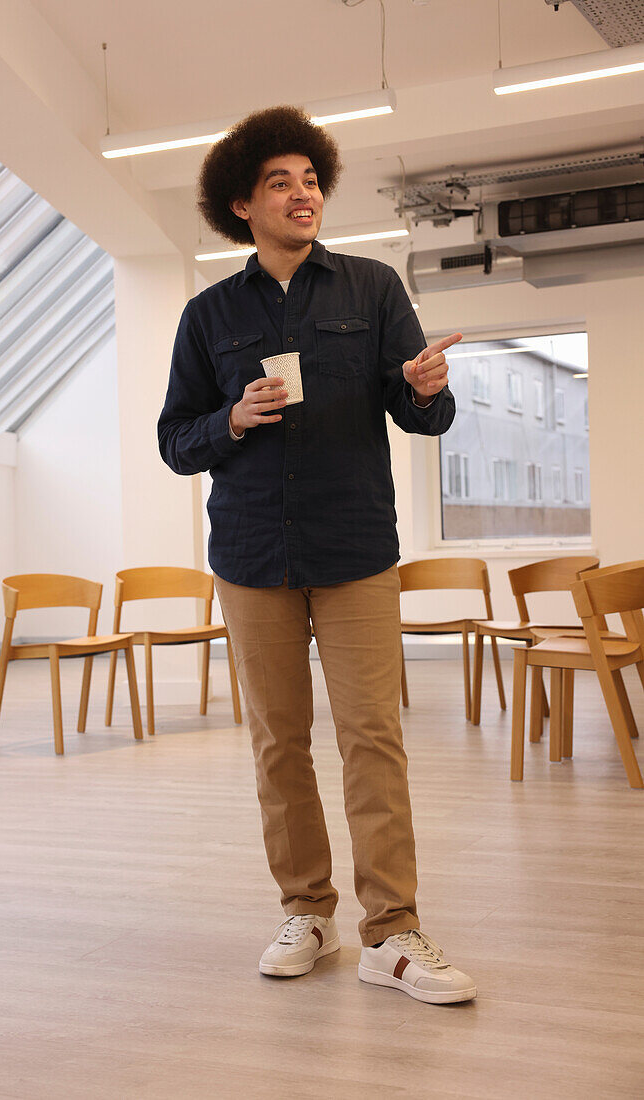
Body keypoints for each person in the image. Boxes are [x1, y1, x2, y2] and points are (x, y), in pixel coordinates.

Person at [158, 105, 476, 1004]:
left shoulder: (372, 288)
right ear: (242, 205)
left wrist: (421, 388)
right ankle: (306, 909)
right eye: (280, 183)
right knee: (277, 745)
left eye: (310, 180)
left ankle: (393, 932)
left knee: (372, 737)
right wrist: (229, 419)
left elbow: (423, 413)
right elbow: (175, 439)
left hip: (354, 546)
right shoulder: (207, 314)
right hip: (252, 553)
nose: (302, 195)